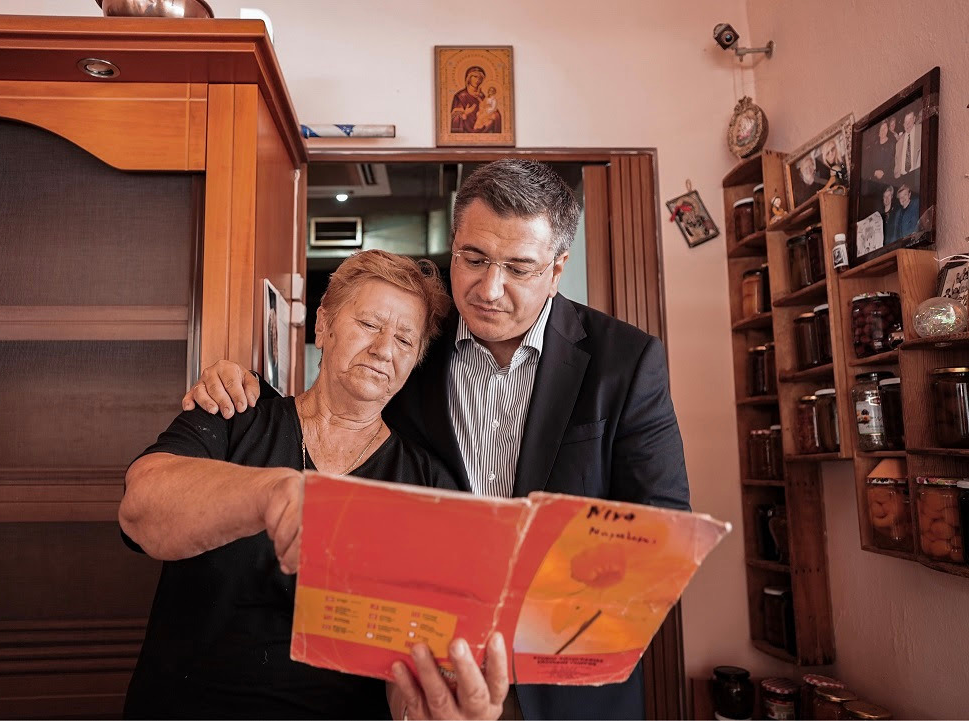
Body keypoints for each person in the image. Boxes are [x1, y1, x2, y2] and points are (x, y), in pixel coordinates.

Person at [186, 159, 691, 720]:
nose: (489, 289)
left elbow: (661, 532)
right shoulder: (415, 340)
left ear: (557, 269)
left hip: (565, 688)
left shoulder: (625, 361)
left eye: (519, 268)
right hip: (422, 674)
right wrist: (240, 387)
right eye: (473, 259)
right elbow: (344, 401)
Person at [119, 250, 508, 719]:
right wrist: (270, 493)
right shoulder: (235, 415)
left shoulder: (428, 487)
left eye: (405, 339)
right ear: (323, 326)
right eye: (369, 324)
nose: (384, 349)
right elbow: (138, 509)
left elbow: (413, 661)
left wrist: (429, 704)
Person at [450, 66, 486, 133]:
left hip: (481, 127)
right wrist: (465, 113)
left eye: (480, 78)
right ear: (468, 78)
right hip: (465, 128)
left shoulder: (482, 96)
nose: (478, 80)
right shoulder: (460, 96)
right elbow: (455, 116)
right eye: (475, 77)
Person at [894, 109, 922, 178]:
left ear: (914, 119)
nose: (908, 124)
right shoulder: (898, 144)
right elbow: (897, 168)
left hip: (917, 176)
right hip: (902, 179)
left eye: (910, 120)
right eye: (906, 122)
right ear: (903, 124)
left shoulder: (922, 130)